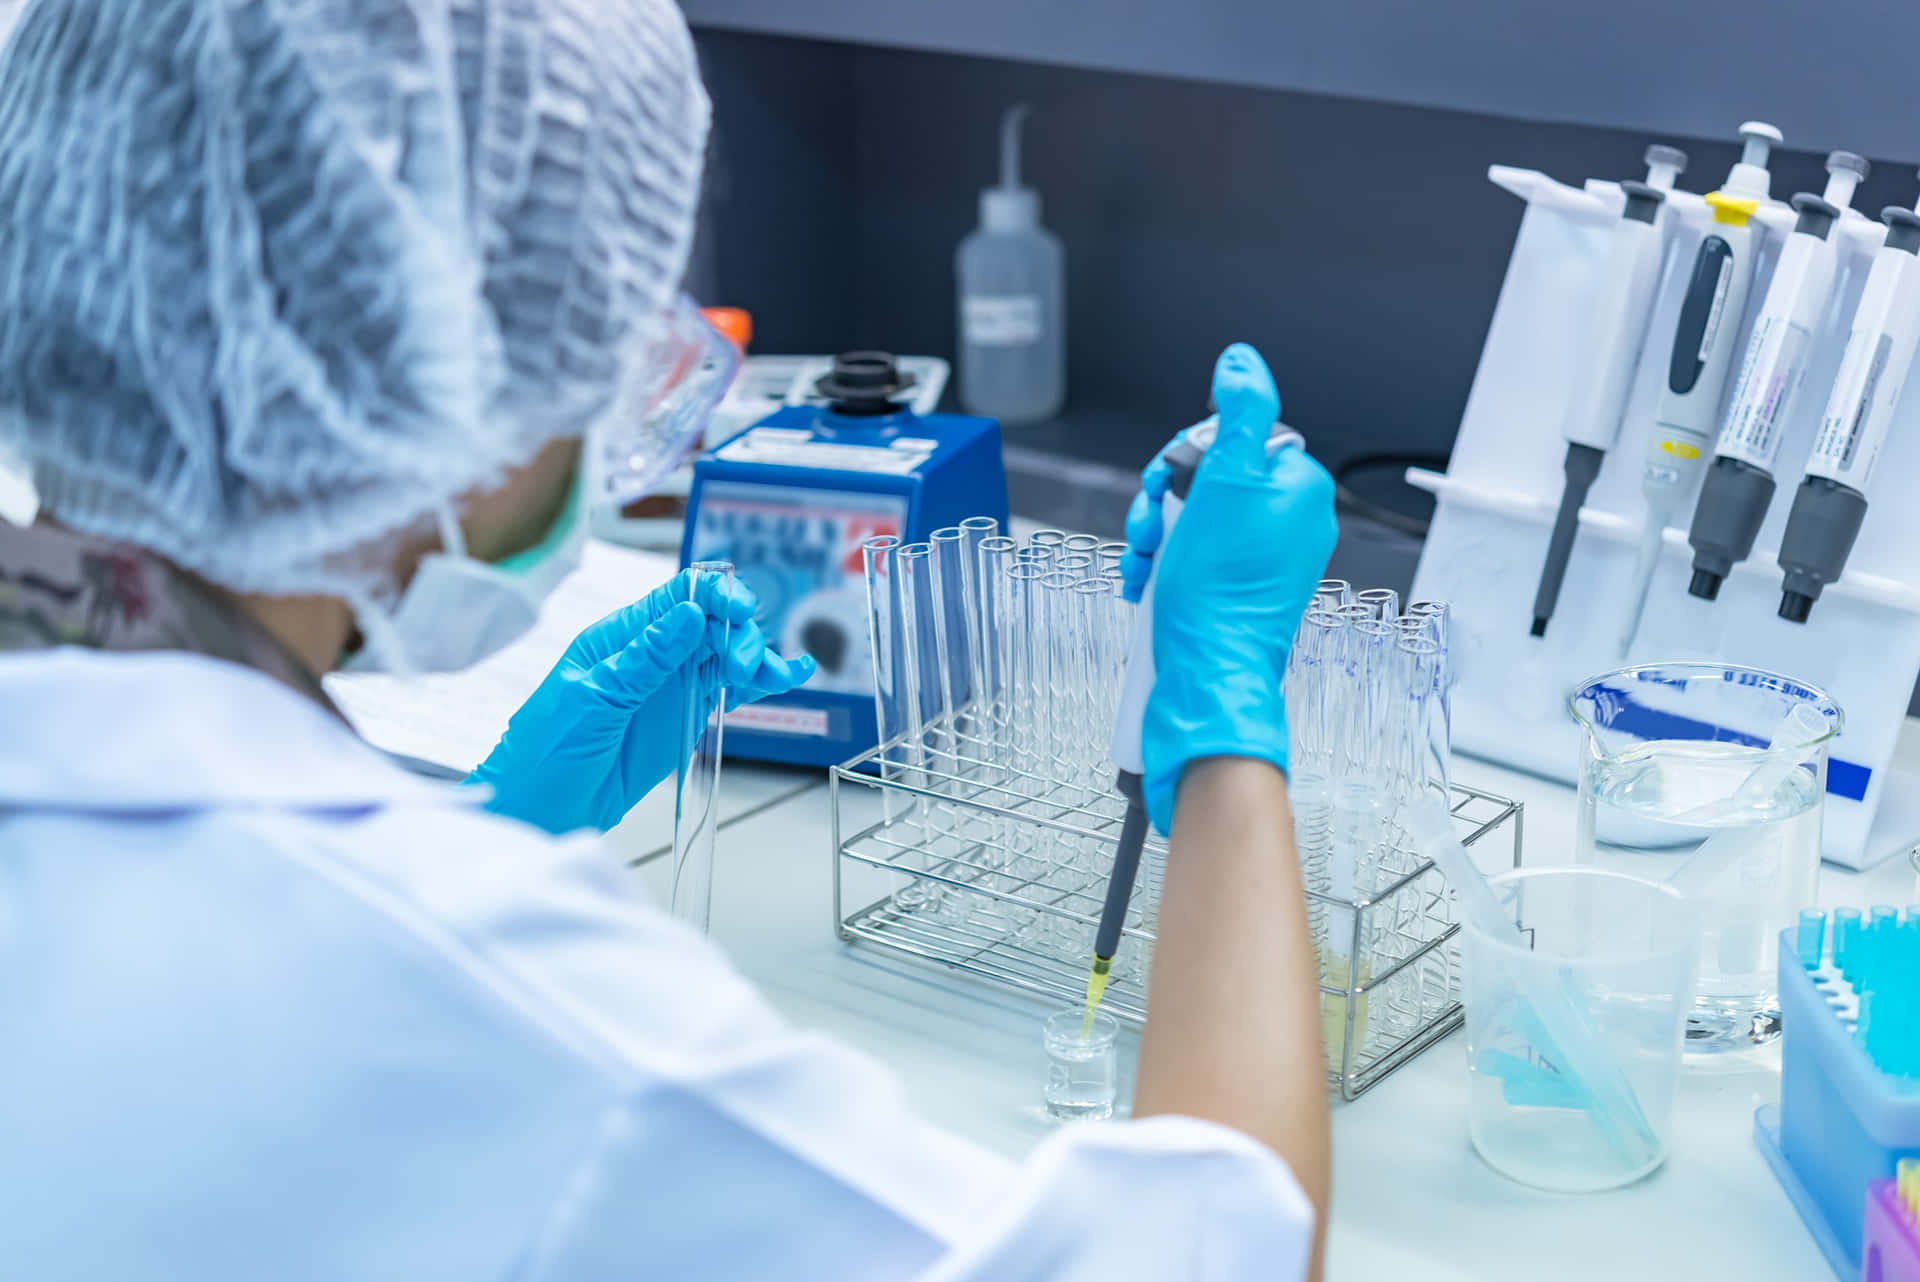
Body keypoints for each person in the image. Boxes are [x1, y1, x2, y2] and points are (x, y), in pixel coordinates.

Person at [0, 3, 1339, 1281]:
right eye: (595, 329)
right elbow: (1224, 1251)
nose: (628, 394)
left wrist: (478, 827)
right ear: (440, 357)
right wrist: (1217, 696)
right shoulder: (534, 1028)